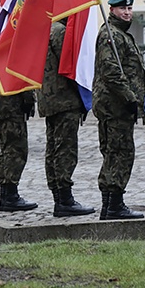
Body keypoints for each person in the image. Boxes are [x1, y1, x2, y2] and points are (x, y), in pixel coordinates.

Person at [93, 0, 145, 220]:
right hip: (114, 106)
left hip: (120, 106)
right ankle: (113, 204)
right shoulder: (110, 35)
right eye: (122, 9)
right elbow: (112, 72)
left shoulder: (122, 34)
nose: (127, 12)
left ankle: (111, 204)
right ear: (112, 10)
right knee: (118, 153)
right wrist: (130, 97)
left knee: (119, 152)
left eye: (130, 9)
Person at [36, 19, 94, 217]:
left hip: (50, 99)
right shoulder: (59, 31)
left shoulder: (45, 28)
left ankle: (58, 196)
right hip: (64, 99)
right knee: (65, 149)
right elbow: (70, 66)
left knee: (53, 148)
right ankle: (64, 199)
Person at [0, 89, 39, 212]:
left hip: (2, 102)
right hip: (12, 103)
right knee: (16, 149)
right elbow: (22, 75)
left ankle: (7, 193)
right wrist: (29, 98)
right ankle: (10, 196)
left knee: (7, 149)